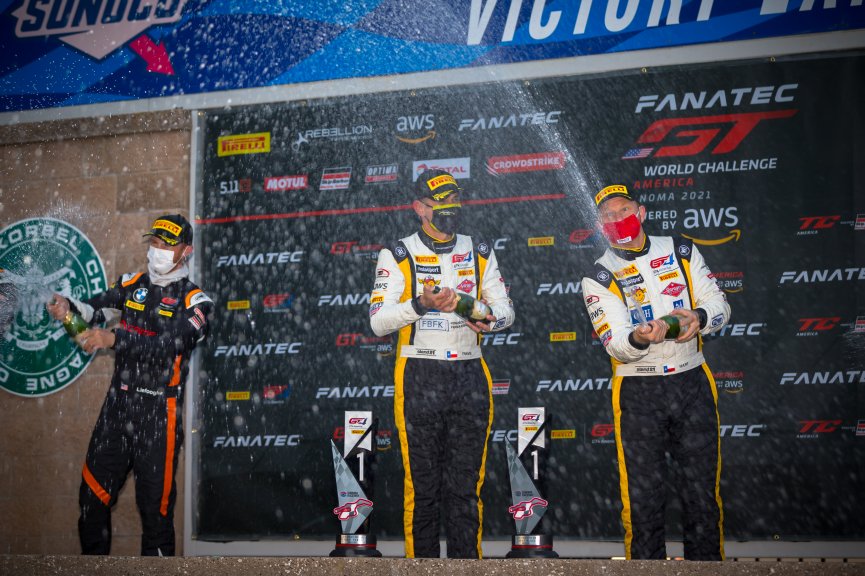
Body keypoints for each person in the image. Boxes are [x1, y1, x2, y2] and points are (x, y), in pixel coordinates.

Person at [46, 214, 212, 556]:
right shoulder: (131, 284)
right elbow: (93, 311)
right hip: (117, 409)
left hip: (159, 415)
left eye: (166, 245)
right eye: (154, 242)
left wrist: (114, 339)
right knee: (91, 499)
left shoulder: (196, 301)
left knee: (155, 514)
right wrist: (67, 308)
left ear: (186, 251)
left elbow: (169, 346)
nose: (157, 249)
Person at [580, 184, 731, 561]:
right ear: (600, 225)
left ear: (641, 212)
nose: (618, 219)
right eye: (608, 216)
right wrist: (640, 337)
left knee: (702, 495)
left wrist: (699, 316)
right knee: (642, 500)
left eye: (624, 210)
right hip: (638, 390)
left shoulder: (680, 250)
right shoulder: (599, 274)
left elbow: (720, 305)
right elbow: (615, 343)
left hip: (691, 381)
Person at [370, 169, 515, 558]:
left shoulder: (479, 249)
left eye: (454, 200)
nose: (450, 208)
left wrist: (480, 314)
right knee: (423, 487)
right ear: (419, 208)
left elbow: (505, 312)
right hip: (420, 374)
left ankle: (467, 566)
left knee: (466, 486)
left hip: (470, 372)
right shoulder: (398, 253)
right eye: (440, 203)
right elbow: (378, 321)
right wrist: (421, 304)